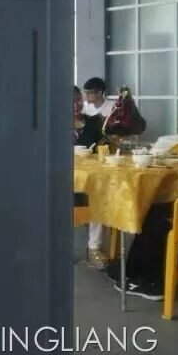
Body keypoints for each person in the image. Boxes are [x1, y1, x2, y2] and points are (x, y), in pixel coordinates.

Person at [73, 86, 108, 269]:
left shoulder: (94, 122)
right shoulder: (53, 125)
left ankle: (94, 248)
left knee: (100, 195)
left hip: (91, 179)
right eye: (71, 101)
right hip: (63, 181)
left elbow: (105, 146)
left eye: (78, 99)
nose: (76, 104)